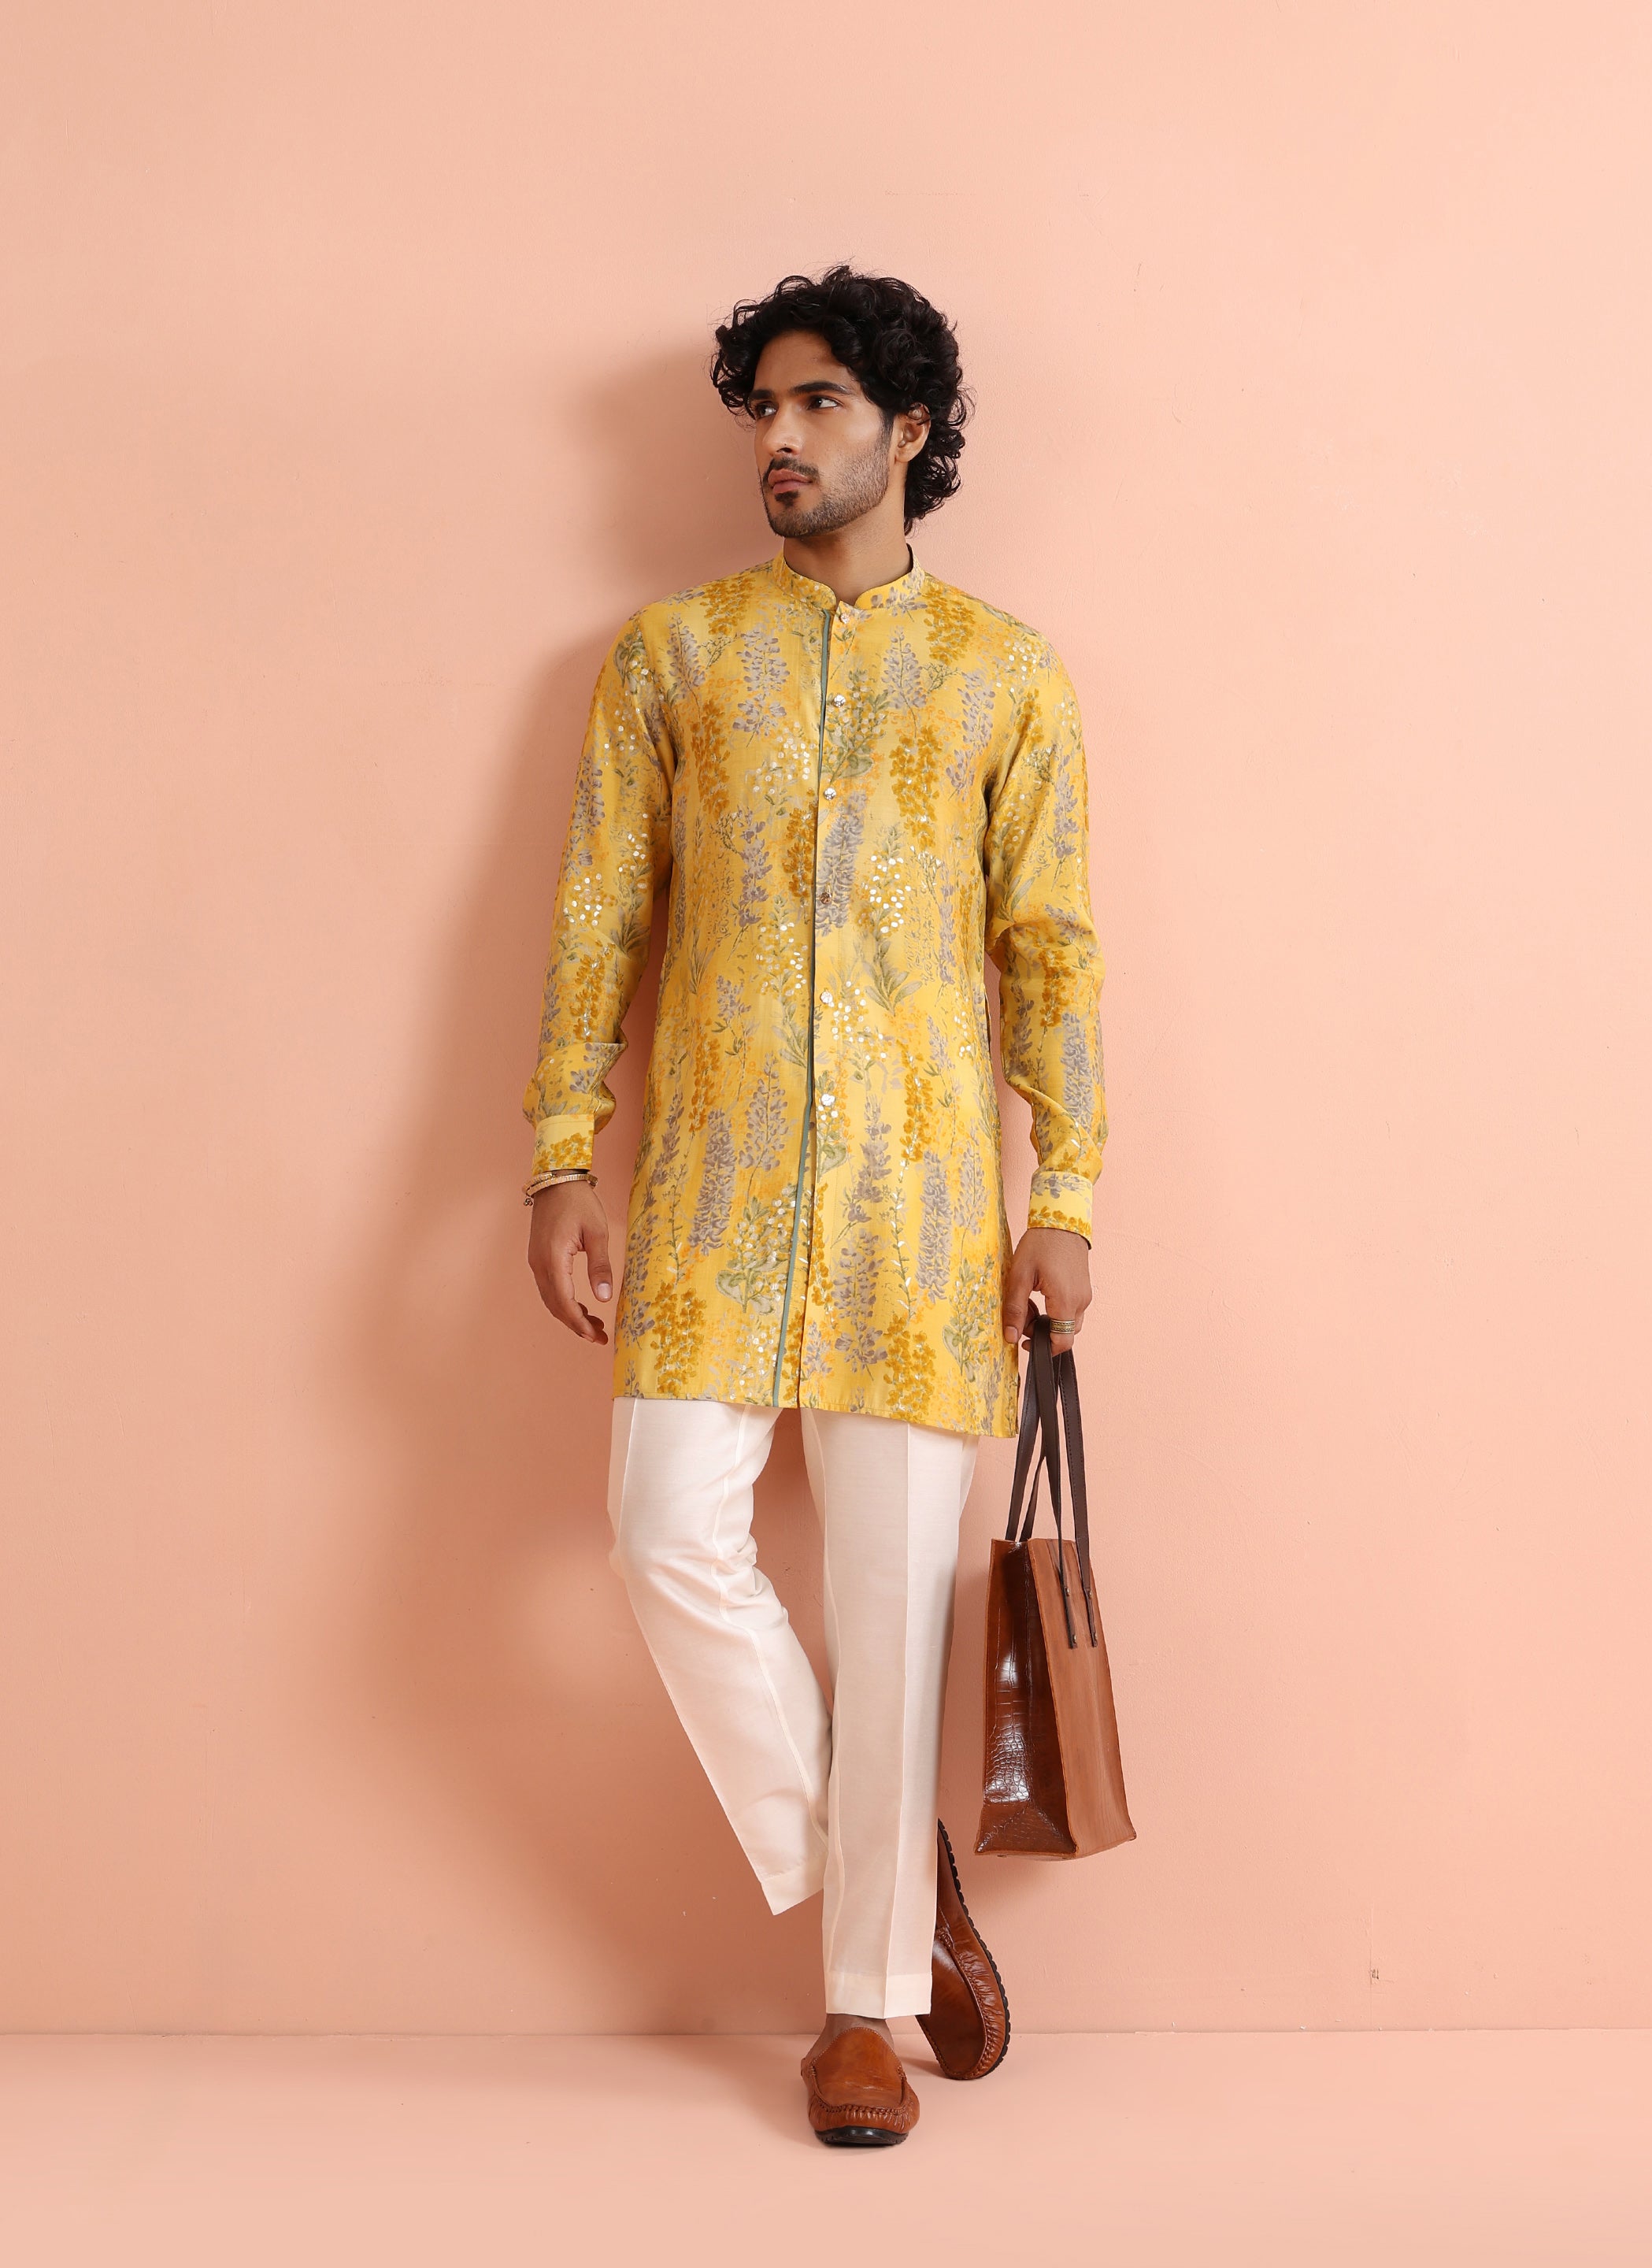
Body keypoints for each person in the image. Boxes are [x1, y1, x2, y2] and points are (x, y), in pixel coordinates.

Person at [523, 266, 1106, 2145]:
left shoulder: (1006, 673)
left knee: (892, 1610)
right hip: (711, 1190)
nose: (778, 440)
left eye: (819, 405)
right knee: (661, 1534)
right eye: (762, 409)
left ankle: (860, 2016)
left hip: (921, 1216)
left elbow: (1051, 950)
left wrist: (1067, 1189)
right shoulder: (674, 658)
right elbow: (601, 919)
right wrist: (561, 1154)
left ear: (909, 431)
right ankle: (885, 1863)